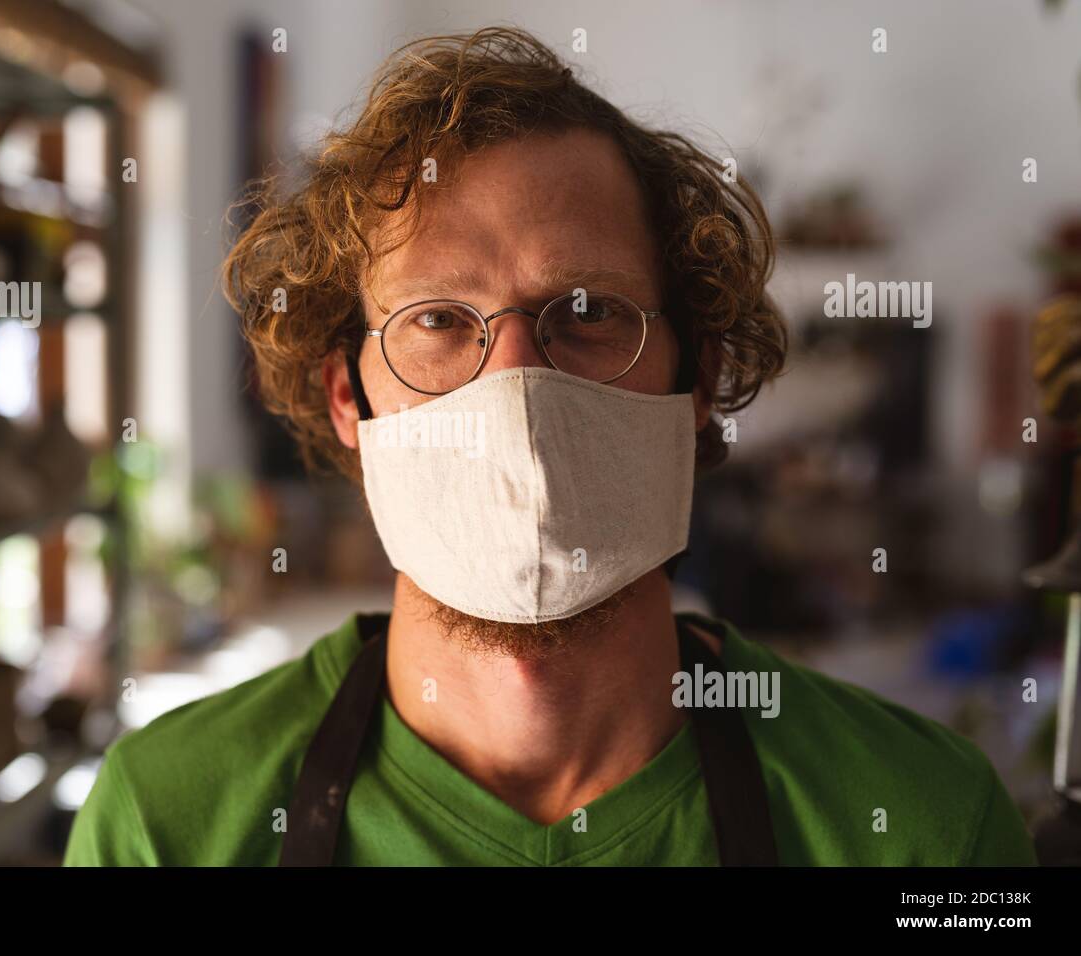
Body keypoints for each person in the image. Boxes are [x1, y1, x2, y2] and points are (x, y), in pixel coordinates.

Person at [65, 27, 1036, 866]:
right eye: (440, 319)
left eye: (588, 312)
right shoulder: (169, 821)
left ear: (695, 379)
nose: (516, 386)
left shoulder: (917, 823)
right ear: (346, 396)